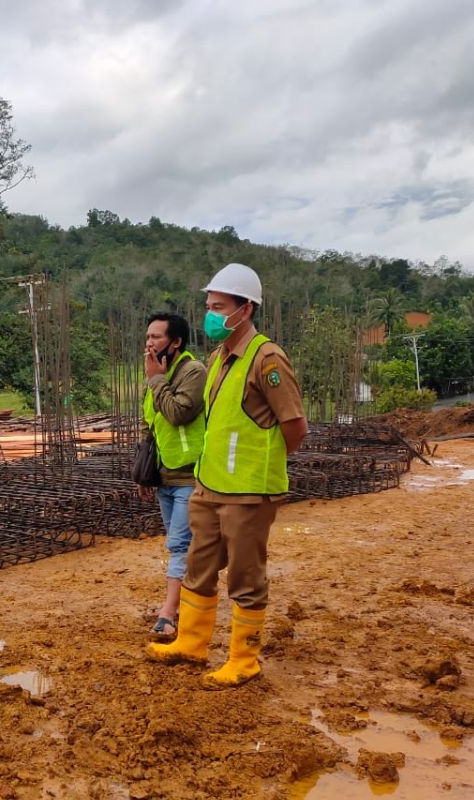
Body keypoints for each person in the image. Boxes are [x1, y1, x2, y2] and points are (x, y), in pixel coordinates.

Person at [146, 263, 308, 689]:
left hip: (248, 493)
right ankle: (192, 643)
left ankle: (243, 659)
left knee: (245, 576)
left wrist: (262, 468)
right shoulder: (219, 358)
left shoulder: (266, 358)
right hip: (209, 485)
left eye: (219, 307)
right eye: (208, 306)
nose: (210, 315)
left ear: (246, 309)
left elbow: (295, 426)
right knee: (198, 567)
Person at [138, 313, 206, 639]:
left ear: (176, 342)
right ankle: (180, 603)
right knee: (182, 546)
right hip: (165, 476)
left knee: (179, 545)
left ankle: (168, 613)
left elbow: (178, 413)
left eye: (156, 337)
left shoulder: (194, 372)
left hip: (190, 475)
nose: (149, 343)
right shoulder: (157, 375)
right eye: (148, 337)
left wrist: (155, 381)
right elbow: (151, 422)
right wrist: (144, 473)